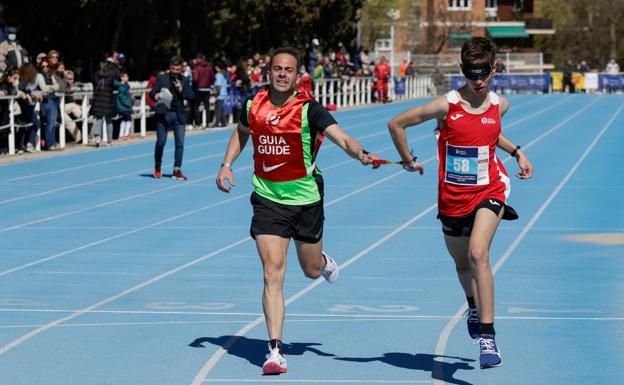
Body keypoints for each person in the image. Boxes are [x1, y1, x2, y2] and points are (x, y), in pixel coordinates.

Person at [215, 47, 379, 375]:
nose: (282, 74)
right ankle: (274, 350)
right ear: (269, 71)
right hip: (267, 198)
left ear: (297, 75)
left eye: (288, 70)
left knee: (310, 269)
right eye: (277, 68)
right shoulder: (253, 104)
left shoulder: (309, 109)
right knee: (272, 273)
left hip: (305, 200)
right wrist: (226, 163)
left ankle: (321, 260)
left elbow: (341, 138)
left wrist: (362, 154)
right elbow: (242, 132)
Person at [387, 37, 533, 369]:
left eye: (484, 73)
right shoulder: (446, 106)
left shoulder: (501, 104)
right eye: (471, 73)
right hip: (452, 198)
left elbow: (489, 133)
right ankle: (473, 304)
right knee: (462, 266)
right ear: (462, 70)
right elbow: (396, 123)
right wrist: (407, 159)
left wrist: (517, 151)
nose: (478, 81)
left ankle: (488, 337)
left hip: (489, 190)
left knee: (478, 253)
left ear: (495, 68)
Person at [150, 56, 194, 180]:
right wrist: (156, 95)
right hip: (163, 114)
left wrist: (181, 90)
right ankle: (157, 167)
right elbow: (152, 93)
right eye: (173, 69)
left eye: (177, 69)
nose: (175, 71)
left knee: (180, 143)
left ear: (181, 69)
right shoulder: (162, 78)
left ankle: (177, 169)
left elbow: (191, 96)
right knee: (161, 142)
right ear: (170, 68)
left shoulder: (184, 80)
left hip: (179, 115)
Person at [115, 71, 133, 140]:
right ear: (121, 78)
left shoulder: (125, 85)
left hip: (123, 106)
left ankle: (121, 135)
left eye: (127, 76)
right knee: (128, 119)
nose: (127, 78)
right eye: (125, 76)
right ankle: (125, 134)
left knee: (124, 119)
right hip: (124, 106)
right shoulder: (122, 86)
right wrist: (129, 103)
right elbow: (122, 97)